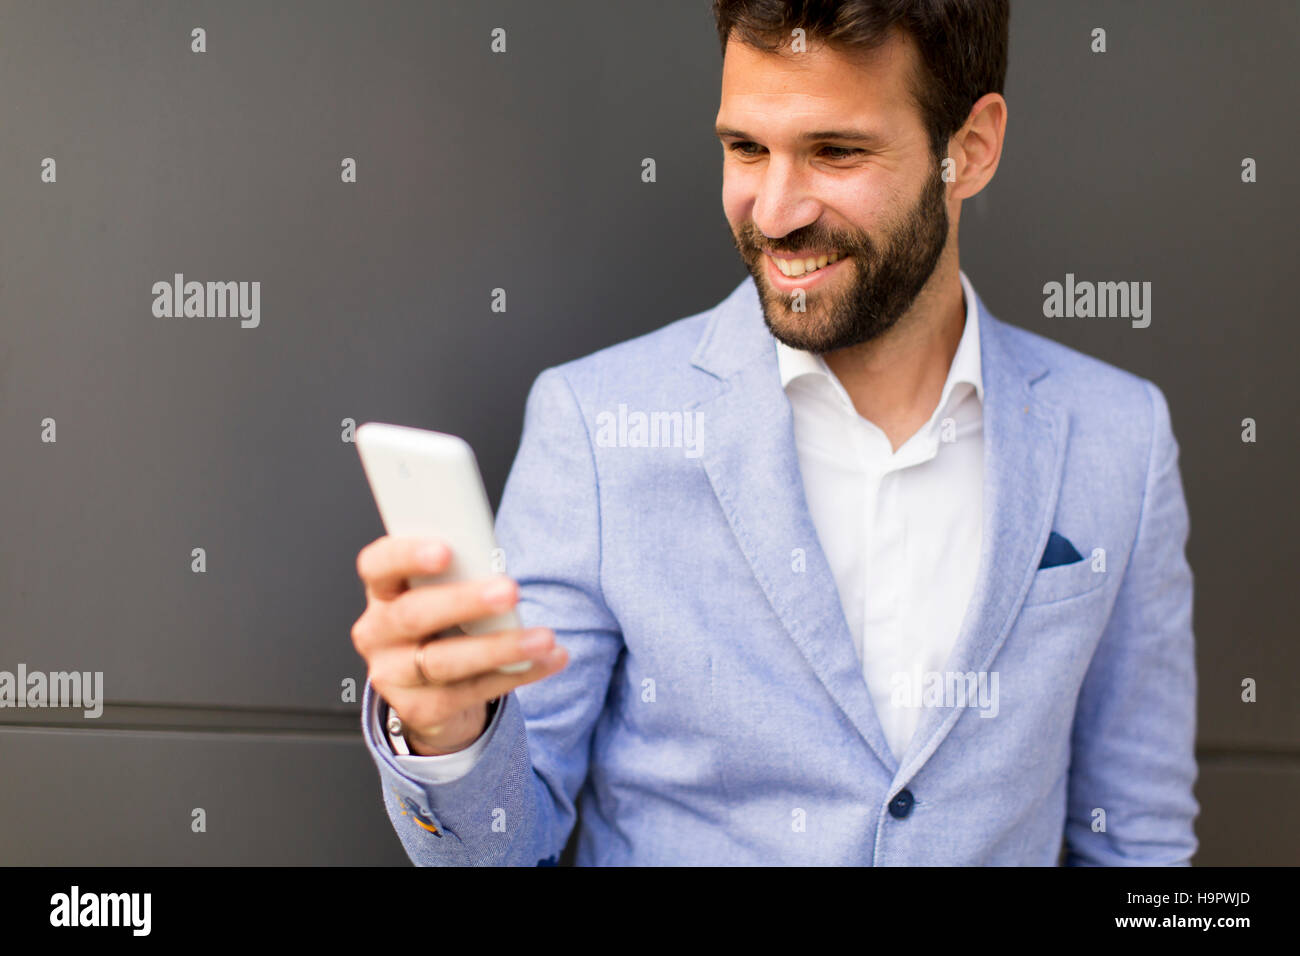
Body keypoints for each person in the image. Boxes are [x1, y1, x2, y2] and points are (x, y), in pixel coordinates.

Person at [350, 0, 1198, 865]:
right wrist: (452, 736)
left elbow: (1142, 842)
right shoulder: (596, 428)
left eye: (835, 151)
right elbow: (506, 848)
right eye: (746, 149)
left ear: (969, 148)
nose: (777, 212)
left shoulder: (1118, 439)